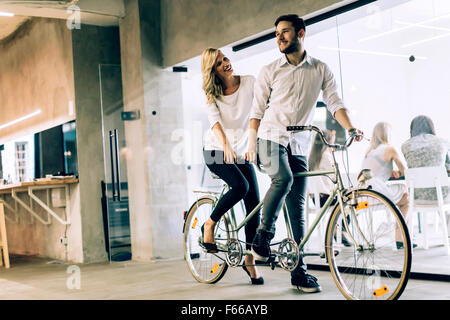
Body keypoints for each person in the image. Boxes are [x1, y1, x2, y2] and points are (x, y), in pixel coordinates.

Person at [246, 14, 363, 293]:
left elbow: (334, 101)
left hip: (298, 144)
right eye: (276, 34)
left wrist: (351, 128)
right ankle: (262, 236)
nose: (279, 37)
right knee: (283, 179)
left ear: (301, 33)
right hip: (269, 138)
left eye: (285, 32)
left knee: (297, 210)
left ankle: (299, 273)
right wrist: (251, 145)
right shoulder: (270, 70)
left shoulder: (320, 69)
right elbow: (257, 112)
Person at [200, 48, 263, 285]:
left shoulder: (249, 83)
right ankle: (210, 223)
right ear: (213, 71)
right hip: (215, 149)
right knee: (240, 186)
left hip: (238, 150)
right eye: (218, 63)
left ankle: (249, 260)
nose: (225, 63)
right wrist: (226, 145)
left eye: (225, 58)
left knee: (254, 205)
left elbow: (262, 110)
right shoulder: (211, 93)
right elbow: (215, 123)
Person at [361, 122, 415, 249]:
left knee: (401, 195)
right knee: (406, 199)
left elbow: (375, 170)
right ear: (387, 134)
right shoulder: (389, 149)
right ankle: (400, 238)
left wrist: (390, 171)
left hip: (365, 194)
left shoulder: (369, 151)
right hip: (377, 192)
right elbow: (405, 171)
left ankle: (399, 238)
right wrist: (397, 171)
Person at [401, 115, 450, 204]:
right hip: (442, 194)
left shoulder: (405, 146)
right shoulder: (442, 142)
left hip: (416, 195)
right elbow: (448, 165)